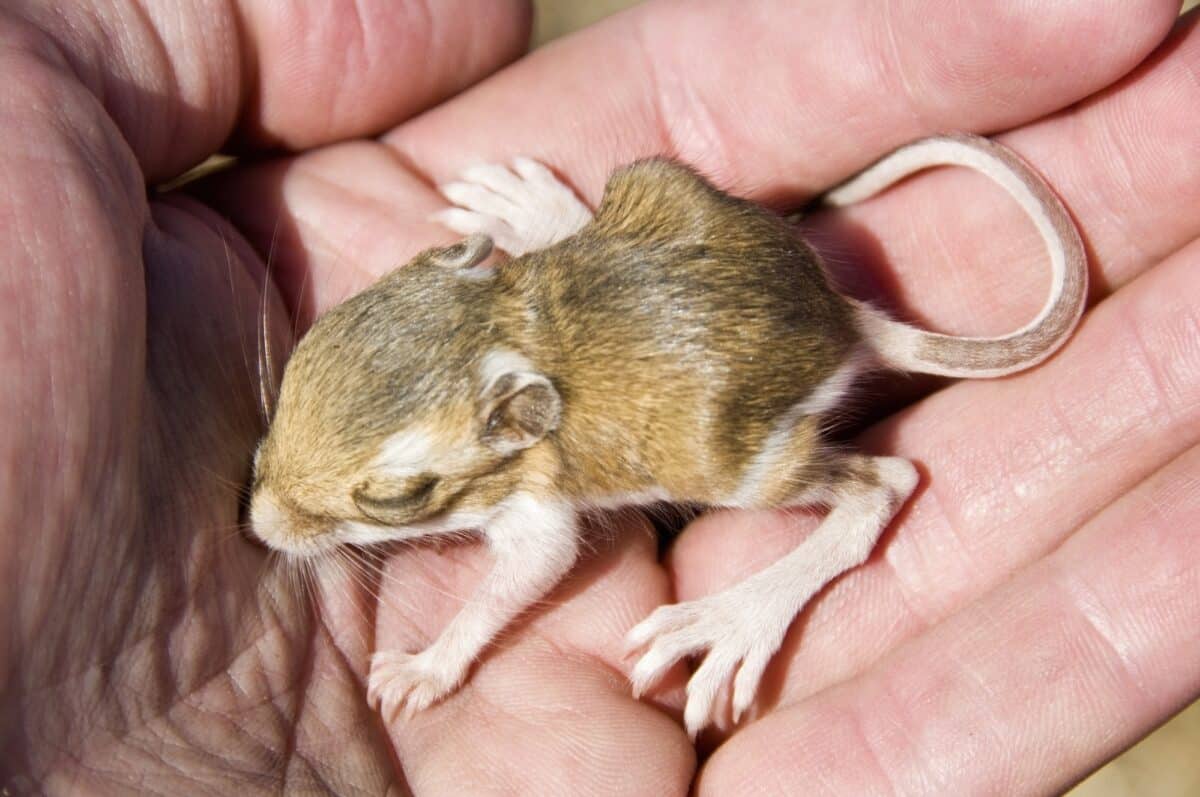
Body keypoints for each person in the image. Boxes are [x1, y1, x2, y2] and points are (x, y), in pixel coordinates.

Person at [2, 0, 1197, 793]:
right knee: (650, 189)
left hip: (752, 377)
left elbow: (537, 553)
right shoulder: (485, 301)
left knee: (736, 459)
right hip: (702, 282)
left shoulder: (532, 454)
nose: (279, 516)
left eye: (386, 498)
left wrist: (456, 650)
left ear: (517, 418)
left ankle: (850, 510)